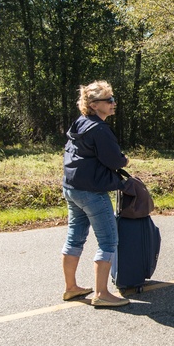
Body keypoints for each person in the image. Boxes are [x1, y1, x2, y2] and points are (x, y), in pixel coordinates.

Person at [60, 80, 130, 308]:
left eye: (112, 99)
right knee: (109, 240)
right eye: (108, 100)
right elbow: (114, 160)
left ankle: (71, 288)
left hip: (71, 188)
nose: (113, 103)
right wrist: (125, 160)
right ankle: (102, 293)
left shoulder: (80, 124)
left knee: (75, 237)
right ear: (93, 105)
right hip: (92, 192)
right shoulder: (99, 129)